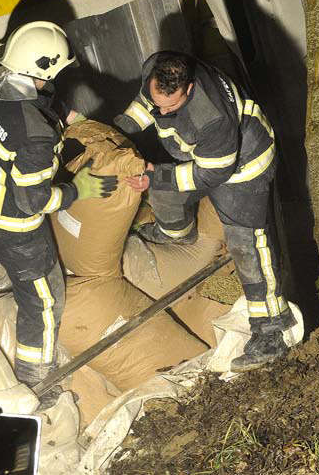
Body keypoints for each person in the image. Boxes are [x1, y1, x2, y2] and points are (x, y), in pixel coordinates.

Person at [0, 21, 117, 404]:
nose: (56, 79)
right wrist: (77, 190)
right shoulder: (34, 135)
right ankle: (36, 385)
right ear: (41, 70)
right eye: (54, 72)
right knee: (43, 302)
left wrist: (69, 120)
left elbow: (24, 108)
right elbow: (34, 201)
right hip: (13, 224)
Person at [114, 51, 296, 371]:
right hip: (202, 157)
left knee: (247, 244)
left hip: (242, 168)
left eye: (170, 106)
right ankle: (177, 233)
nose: (161, 112)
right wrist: (119, 130)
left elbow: (211, 174)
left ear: (189, 88)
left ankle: (271, 331)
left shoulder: (211, 118)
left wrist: (157, 175)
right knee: (163, 187)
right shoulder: (160, 68)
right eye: (158, 103)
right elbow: (145, 102)